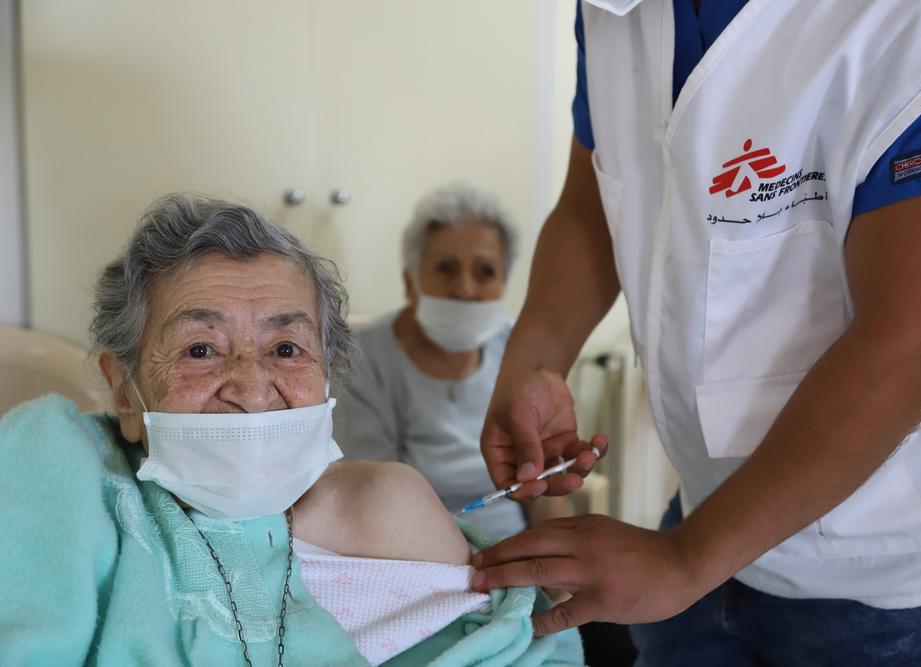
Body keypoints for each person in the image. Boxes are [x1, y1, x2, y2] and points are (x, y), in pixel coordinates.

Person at [470, 1, 921, 664]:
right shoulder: (612, 11)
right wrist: (534, 359)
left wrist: (684, 561)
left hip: (879, 572)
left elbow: (911, 343)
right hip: (703, 516)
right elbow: (591, 202)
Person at [0, 194, 583, 666]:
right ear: (125, 390)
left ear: (328, 376)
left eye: (286, 348)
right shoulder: (57, 464)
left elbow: (525, 649)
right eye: (201, 349)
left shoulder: (384, 507)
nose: (252, 389)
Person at [334, 183, 529, 538]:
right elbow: (372, 496)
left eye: (485, 272)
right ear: (411, 282)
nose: (466, 289)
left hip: (513, 543)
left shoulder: (521, 348)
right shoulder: (365, 359)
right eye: (446, 269)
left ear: (504, 283)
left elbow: (544, 481)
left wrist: (560, 587)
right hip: (408, 546)